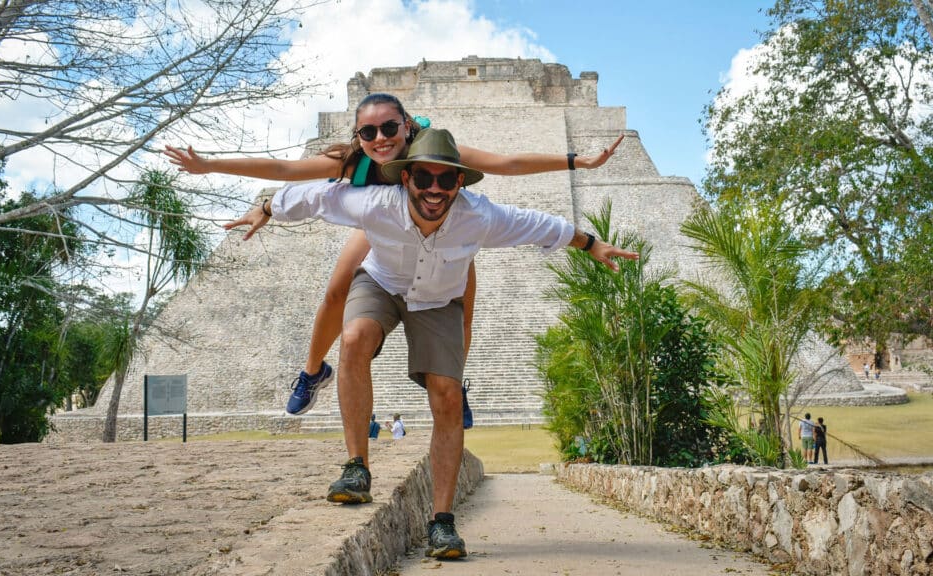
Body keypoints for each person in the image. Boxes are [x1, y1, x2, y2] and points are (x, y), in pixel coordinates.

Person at [224, 127, 637, 559]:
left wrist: (590, 244)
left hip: (438, 300)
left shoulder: (480, 216)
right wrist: (267, 207)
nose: (434, 190)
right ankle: (356, 467)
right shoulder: (376, 203)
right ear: (406, 179)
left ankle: (442, 523)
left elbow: (539, 224)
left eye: (446, 180)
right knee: (353, 337)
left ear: (461, 182)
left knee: (447, 397)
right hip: (382, 282)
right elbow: (317, 197)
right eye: (424, 179)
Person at [164, 93, 624, 418]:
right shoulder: (354, 161)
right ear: (358, 134)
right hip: (379, 224)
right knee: (336, 291)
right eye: (369, 131)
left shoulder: (436, 153)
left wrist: (573, 161)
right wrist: (213, 168)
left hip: (442, 232)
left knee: (461, 304)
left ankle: (454, 385)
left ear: (407, 126)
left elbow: (505, 164)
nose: (380, 138)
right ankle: (312, 371)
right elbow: (287, 171)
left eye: (389, 128)